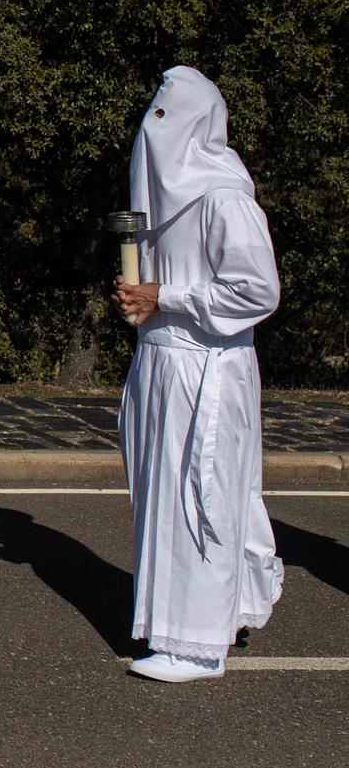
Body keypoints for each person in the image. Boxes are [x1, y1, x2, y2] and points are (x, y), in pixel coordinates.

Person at [112, 66, 282, 682]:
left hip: (206, 368)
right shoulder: (162, 205)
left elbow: (257, 292)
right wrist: (143, 300)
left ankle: (196, 643)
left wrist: (168, 296)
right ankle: (212, 612)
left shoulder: (223, 198)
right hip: (161, 363)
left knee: (201, 493)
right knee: (168, 496)